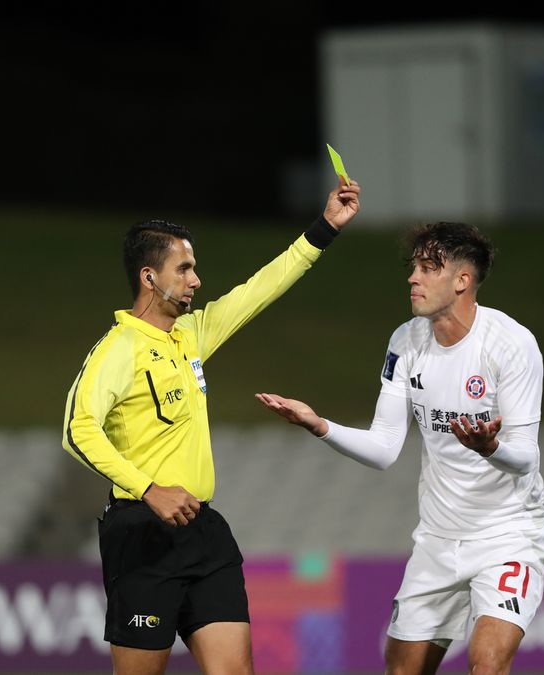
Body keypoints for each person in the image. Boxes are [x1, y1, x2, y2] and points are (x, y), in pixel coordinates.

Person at [61, 179, 361, 675]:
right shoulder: (118, 350)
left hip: (203, 533)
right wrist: (149, 489)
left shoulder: (192, 334)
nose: (196, 280)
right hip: (142, 535)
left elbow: (261, 287)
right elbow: (78, 430)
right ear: (149, 277)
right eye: (184, 269)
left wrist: (325, 227)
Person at [255, 222, 544, 675]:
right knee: (401, 670)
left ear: (462, 281)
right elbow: (385, 447)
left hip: (507, 536)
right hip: (437, 539)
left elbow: (526, 457)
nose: (413, 277)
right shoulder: (405, 341)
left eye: (428, 267)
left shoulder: (511, 345)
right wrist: (319, 426)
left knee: (487, 663)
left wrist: (490, 449)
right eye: (413, 266)